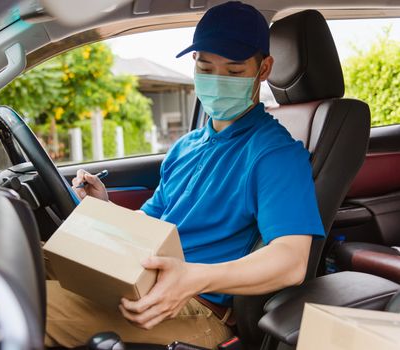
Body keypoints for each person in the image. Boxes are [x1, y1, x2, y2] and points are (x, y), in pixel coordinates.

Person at [44, 1, 325, 348]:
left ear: (263, 68)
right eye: (206, 67)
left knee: (22, 306)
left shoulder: (275, 154)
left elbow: (291, 261)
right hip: (145, 280)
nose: (218, 81)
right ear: (194, 63)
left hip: (198, 309)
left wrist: (193, 278)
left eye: (234, 71)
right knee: (27, 262)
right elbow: (151, 225)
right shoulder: (185, 147)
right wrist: (104, 208)